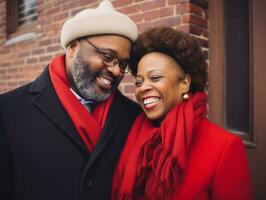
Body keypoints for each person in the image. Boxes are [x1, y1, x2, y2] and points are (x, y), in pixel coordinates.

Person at [0, 1, 141, 199]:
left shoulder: (133, 115)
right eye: (108, 56)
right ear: (73, 48)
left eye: (123, 63)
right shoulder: (8, 112)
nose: (117, 71)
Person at [112, 27, 253, 200]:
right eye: (139, 82)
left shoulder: (225, 147)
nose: (143, 88)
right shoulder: (131, 134)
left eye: (155, 78)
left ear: (185, 83)